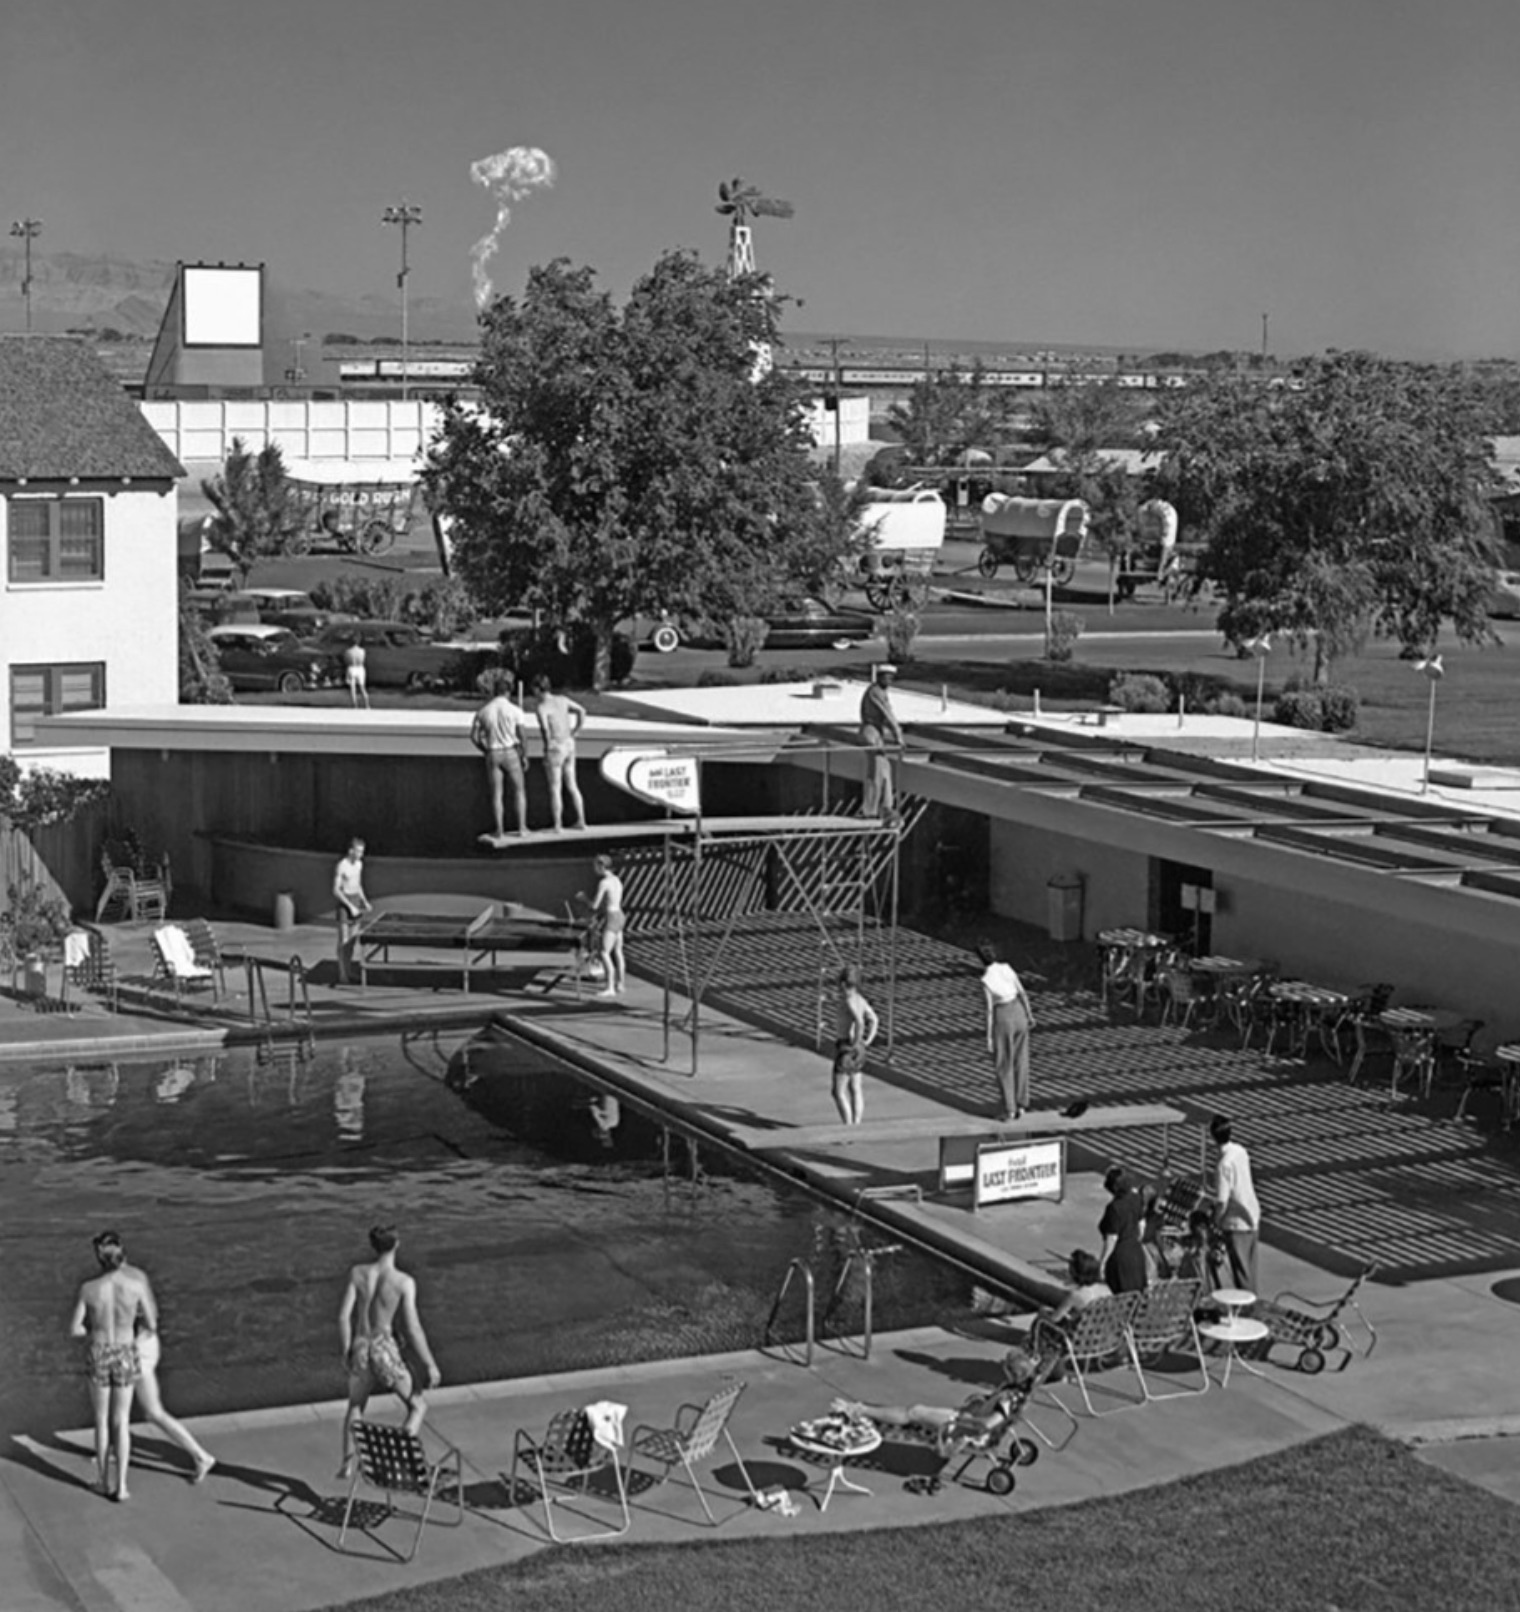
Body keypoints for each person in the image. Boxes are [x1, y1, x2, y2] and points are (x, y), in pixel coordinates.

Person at [337, 1225, 441, 1478]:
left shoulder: (357, 1273)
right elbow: (413, 1328)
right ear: (396, 1245)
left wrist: (346, 1351)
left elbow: (342, 1317)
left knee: (356, 1406)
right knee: (417, 1407)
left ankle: (347, 1464)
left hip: (361, 1345)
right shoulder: (403, 1282)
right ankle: (395, 1459)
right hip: (384, 1348)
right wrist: (429, 1364)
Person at [115, 1243, 216, 1483]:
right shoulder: (136, 1275)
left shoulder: (124, 1283)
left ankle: (201, 1456)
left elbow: (148, 1321)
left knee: (140, 1410)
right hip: (146, 1347)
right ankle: (114, 1448)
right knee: (146, 1411)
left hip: (137, 1350)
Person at [69, 1230, 148, 1500]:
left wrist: (95, 1333)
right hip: (126, 1351)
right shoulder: (135, 1286)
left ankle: (103, 1481)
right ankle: (122, 1486)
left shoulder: (89, 1289)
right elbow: (149, 1323)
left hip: (100, 1350)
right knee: (122, 1421)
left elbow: (75, 1329)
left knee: (101, 1420)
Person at [976, 942, 1034, 1120]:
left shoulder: (986, 980)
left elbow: (989, 1011)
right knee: (1021, 1060)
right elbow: (1022, 991)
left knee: (1003, 1063)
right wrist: (1029, 1014)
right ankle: (1022, 1102)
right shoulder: (1007, 968)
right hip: (1018, 1010)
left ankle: (1010, 1107)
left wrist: (988, 1038)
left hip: (1003, 1015)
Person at [1211, 1114, 1261, 1293]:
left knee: (1242, 1274)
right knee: (1251, 1270)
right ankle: (1253, 1303)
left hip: (1236, 1222)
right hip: (1252, 1213)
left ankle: (1247, 1310)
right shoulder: (1240, 1151)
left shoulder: (1223, 1164)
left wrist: (1215, 1222)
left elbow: (1222, 1202)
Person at [471, 686, 530, 839]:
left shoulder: (483, 711)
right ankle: (522, 828)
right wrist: (524, 755)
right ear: (508, 692)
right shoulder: (515, 710)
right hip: (510, 751)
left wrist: (484, 749)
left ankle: (499, 830)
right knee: (519, 790)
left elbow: (474, 736)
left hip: (493, 752)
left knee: (497, 794)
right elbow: (522, 736)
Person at [533, 674, 588, 833]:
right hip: (569, 743)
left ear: (538, 689)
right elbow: (582, 711)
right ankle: (581, 821)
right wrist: (576, 730)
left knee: (555, 787)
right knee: (572, 785)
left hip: (556, 745)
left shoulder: (542, 707)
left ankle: (558, 825)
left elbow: (544, 728)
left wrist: (546, 745)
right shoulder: (562, 700)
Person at [830, 964, 879, 1126]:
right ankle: (857, 1123)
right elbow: (874, 1019)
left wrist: (857, 1039)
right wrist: (867, 1041)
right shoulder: (860, 999)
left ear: (843, 984)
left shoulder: (849, 1001)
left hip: (847, 1048)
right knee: (855, 1088)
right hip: (859, 1050)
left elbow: (859, 1021)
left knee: (838, 1092)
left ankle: (849, 1126)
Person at [858, 663, 904, 819]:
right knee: (876, 771)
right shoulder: (875, 692)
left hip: (877, 733)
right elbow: (888, 715)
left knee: (885, 769)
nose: (889, 680)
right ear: (880, 677)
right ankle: (870, 810)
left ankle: (886, 807)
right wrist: (898, 736)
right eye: (887, 677)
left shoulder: (881, 692)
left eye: (891, 678)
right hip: (871, 732)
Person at [1097, 1165, 1150, 1294]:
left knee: (1121, 1294)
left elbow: (1112, 1239)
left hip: (1120, 1257)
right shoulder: (1137, 1198)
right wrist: (1136, 1241)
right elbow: (1142, 1225)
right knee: (1138, 1293)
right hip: (1136, 1252)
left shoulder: (1114, 1208)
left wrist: (1103, 1262)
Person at [332, 837, 373, 986]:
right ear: (351, 851)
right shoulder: (341, 866)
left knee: (352, 941)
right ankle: (342, 973)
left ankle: (348, 970)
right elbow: (336, 890)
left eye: (362, 851)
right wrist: (350, 907)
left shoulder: (359, 865)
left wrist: (364, 901)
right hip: (345, 903)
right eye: (359, 851)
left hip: (355, 900)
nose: (361, 854)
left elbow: (358, 885)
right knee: (343, 941)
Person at [589, 854, 626, 998]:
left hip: (612, 918)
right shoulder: (617, 880)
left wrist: (584, 898)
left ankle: (610, 987)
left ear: (601, 866)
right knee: (618, 951)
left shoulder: (604, 883)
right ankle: (620, 983)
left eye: (595, 866)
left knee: (604, 952)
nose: (594, 869)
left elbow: (595, 905)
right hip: (620, 915)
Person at [343, 640, 369, 710]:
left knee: (353, 688)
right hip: (360, 668)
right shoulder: (362, 651)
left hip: (352, 667)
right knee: (362, 687)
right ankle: (367, 705)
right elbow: (363, 660)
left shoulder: (348, 651)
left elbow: (346, 660)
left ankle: (355, 706)